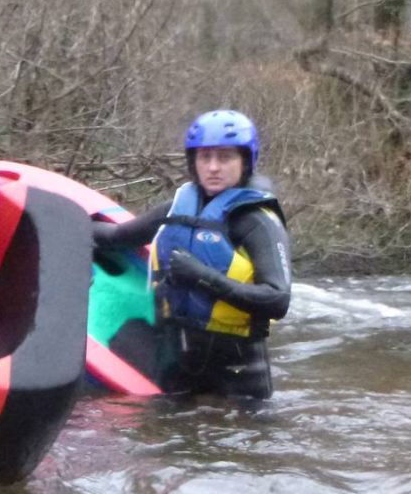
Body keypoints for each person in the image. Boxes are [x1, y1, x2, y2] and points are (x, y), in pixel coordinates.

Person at [94, 109, 291, 400]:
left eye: (224, 157)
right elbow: (117, 238)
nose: (213, 167)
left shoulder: (257, 222)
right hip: (177, 367)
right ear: (193, 162)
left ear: (245, 161)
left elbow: (277, 299)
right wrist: (63, 219)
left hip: (238, 377)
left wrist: (202, 277)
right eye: (204, 157)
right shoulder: (177, 208)